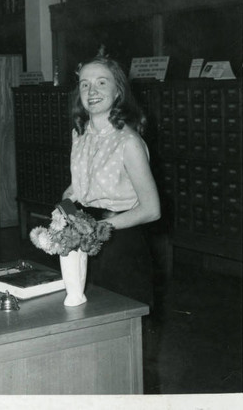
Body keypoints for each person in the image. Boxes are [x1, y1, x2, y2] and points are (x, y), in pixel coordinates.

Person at [61, 54, 161, 306]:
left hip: (120, 243)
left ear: (118, 91)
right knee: (84, 315)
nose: (91, 90)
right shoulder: (80, 136)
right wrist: (66, 209)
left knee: (121, 322)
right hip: (85, 237)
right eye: (85, 84)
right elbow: (77, 189)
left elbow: (152, 210)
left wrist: (100, 229)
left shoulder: (129, 143)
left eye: (101, 83)